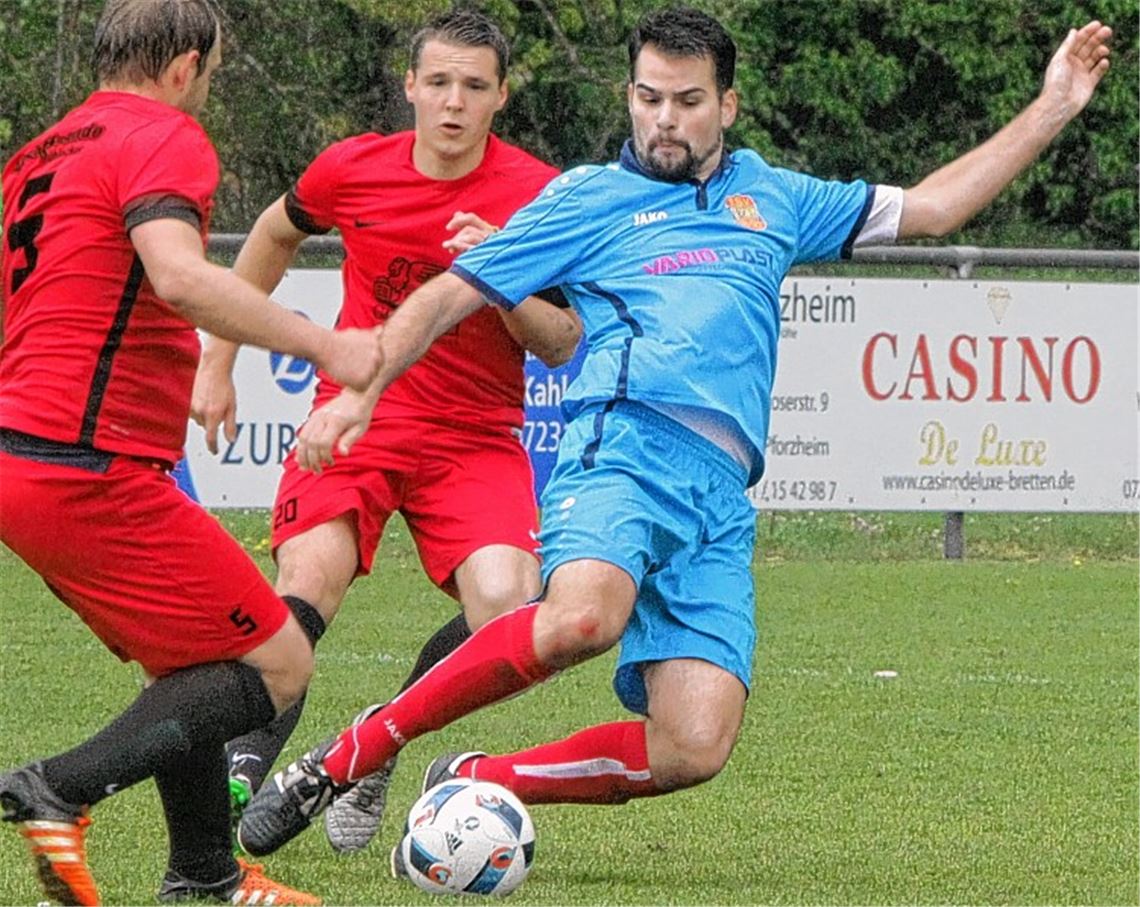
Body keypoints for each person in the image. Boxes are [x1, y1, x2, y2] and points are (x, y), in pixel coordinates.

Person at [236, 6, 1113, 864]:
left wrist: (1053, 107)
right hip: (622, 447)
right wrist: (360, 388)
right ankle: (348, 753)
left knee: (693, 746)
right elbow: (443, 296)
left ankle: (472, 775)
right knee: (581, 614)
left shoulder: (776, 196)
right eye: (649, 97)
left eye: (687, 100)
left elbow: (931, 207)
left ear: (726, 105)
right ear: (629, 96)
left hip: (719, 499)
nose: (665, 118)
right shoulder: (586, 199)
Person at [0, 1, 385, 904]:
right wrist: (326, 344)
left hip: (29, 459)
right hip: (85, 462)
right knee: (277, 660)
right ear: (185, 65)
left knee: (195, 655)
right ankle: (58, 786)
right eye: (209, 74)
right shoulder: (162, 135)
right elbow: (177, 274)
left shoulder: (34, 158)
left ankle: (205, 872)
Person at [190, 8, 581, 855]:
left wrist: (506, 269)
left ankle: (380, 741)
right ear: (409, 85)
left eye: (474, 86)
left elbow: (562, 341)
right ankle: (237, 780)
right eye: (437, 82)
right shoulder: (353, 168)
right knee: (309, 581)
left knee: (509, 608)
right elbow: (271, 233)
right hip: (361, 411)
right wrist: (217, 360)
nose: (452, 103)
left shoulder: (541, 194)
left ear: (501, 95)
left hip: (477, 434)